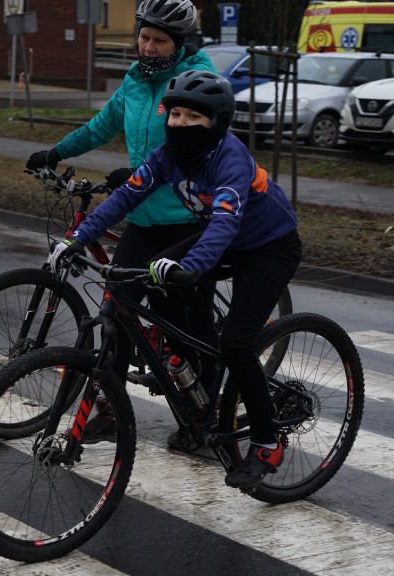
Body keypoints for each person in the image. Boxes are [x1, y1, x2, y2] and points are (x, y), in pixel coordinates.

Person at [48, 69, 303, 491]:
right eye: (176, 114)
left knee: (238, 343)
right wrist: (77, 238)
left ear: (218, 123)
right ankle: (188, 374)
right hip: (226, 239)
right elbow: (127, 195)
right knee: (147, 277)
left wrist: (195, 265)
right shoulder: (169, 154)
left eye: (194, 118)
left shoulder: (230, 157)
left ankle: (266, 439)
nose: (181, 123)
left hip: (268, 247)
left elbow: (223, 220)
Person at [26, 0, 215, 393]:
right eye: (143, 37)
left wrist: (145, 174)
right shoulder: (134, 78)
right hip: (143, 220)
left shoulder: (197, 80)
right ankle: (111, 409)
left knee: (187, 330)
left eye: (158, 41)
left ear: (179, 43)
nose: (147, 48)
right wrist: (56, 152)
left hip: (186, 222)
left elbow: (203, 152)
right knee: (116, 312)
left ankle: (207, 413)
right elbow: (102, 126)